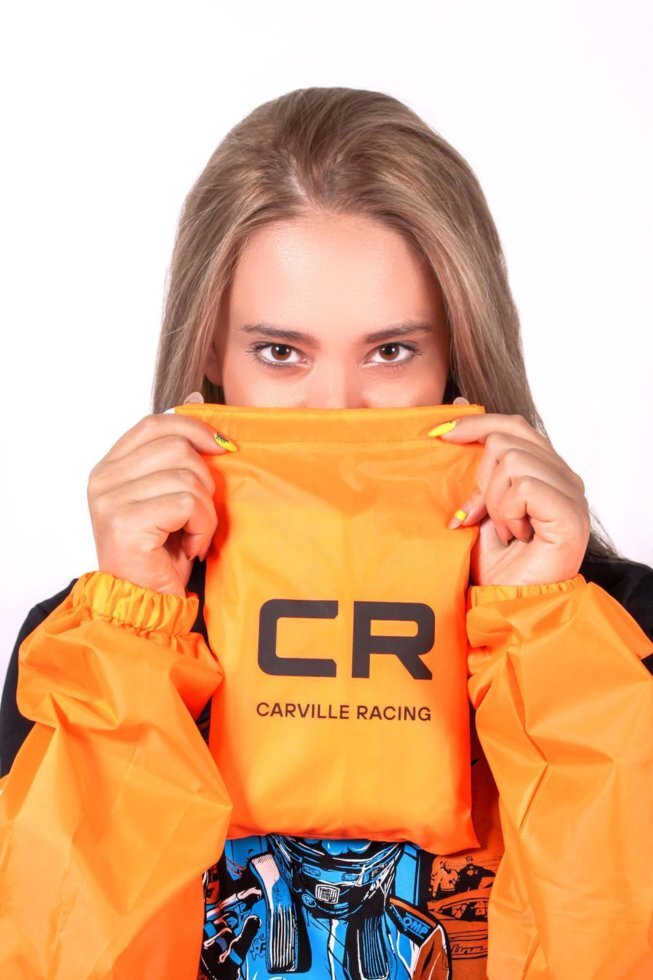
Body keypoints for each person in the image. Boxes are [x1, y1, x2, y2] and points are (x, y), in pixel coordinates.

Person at [1, 86, 652, 980]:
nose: (336, 409)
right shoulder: (90, 648)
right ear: (210, 355)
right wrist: (130, 639)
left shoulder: (615, 632)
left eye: (390, 352)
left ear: (459, 355)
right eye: (280, 353)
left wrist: (544, 639)